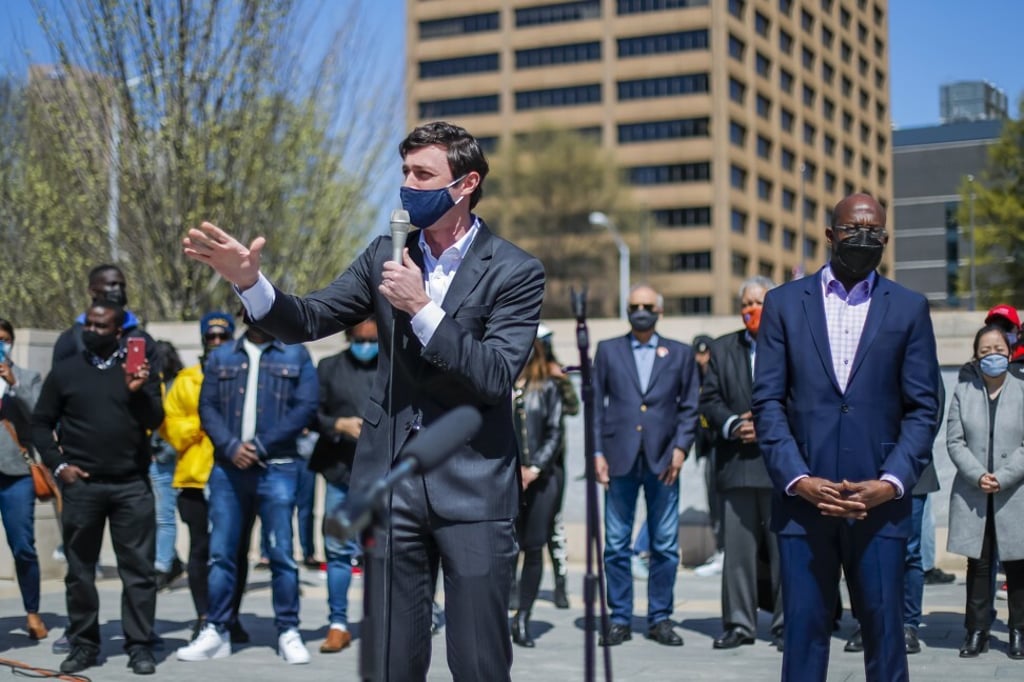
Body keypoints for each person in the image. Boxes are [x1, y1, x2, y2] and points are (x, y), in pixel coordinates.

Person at [182, 120, 544, 681]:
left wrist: (423, 309)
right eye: (404, 172)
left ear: (466, 183)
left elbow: (495, 375)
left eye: (423, 174)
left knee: (477, 660)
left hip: (474, 489)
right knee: (392, 660)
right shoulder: (385, 254)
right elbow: (310, 317)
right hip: (390, 483)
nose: (408, 185)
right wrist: (252, 283)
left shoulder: (516, 271)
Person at [751, 193, 941, 682]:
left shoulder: (910, 308)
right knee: (804, 639)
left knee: (885, 637)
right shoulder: (783, 303)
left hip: (878, 508)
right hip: (803, 507)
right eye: (853, 229)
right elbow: (767, 402)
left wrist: (890, 482)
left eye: (873, 230)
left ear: (886, 239)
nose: (863, 238)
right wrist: (797, 478)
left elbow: (923, 407)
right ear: (831, 235)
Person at [32, 302, 163, 675]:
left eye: (101, 326)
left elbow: (157, 419)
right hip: (82, 487)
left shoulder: (138, 370)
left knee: (138, 571)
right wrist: (59, 466)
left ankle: (140, 645)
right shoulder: (66, 371)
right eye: (88, 324)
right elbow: (41, 423)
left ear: (119, 332)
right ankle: (84, 644)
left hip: (131, 486)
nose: (92, 331)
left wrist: (137, 390)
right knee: (79, 571)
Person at [176, 322, 318, 665]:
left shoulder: (296, 354)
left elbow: (306, 405)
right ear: (243, 310)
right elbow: (206, 407)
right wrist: (230, 445)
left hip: (278, 466)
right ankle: (217, 629)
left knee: (281, 554)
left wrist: (261, 445)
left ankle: (288, 629)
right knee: (222, 553)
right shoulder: (222, 355)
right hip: (228, 469)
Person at [593, 285, 701, 647]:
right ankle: (620, 618)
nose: (640, 311)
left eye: (647, 306)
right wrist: (596, 453)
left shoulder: (681, 353)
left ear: (660, 310)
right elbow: (596, 406)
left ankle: (660, 618)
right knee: (617, 545)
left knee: (666, 546)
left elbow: (689, 407)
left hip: (664, 461)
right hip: (619, 458)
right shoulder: (608, 351)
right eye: (634, 306)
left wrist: (682, 449)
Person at [700, 276, 784, 651]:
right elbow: (710, 400)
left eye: (760, 301)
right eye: (746, 303)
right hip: (736, 465)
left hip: (780, 465)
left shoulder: (790, 344)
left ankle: (786, 623)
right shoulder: (722, 348)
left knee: (785, 552)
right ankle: (739, 623)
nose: (752, 309)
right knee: (738, 553)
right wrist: (734, 424)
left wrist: (767, 426)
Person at [946, 324, 1024, 660]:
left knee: (1018, 565)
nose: (992, 355)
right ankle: (976, 631)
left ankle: (1018, 630)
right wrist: (978, 475)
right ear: (976, 358)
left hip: (1014, 491)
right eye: (984, 351)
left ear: (1009, 352)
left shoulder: (1022, 390)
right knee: (978, 563)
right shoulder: (964, 391)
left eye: (998, 349)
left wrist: (1004, 476)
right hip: (973, 491)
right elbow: (954, 441)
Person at [160, 312, 236, 640]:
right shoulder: (186, 380)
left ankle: (229, 616)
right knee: (200, 550)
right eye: (211, 337)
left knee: (230, 550)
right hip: (193, 478)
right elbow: (171, 429)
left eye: (223, 337)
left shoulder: (240, 374)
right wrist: (204, 423)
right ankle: (203, 615)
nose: (216, 342)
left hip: (232, 477)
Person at [308, 319, 379, 654]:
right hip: (339, 472)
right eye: (360, 339)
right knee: (337, 551)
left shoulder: (395, 367)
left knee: (383, 552)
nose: (366, 345)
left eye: (373, 339)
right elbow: (309, 414)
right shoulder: (329, 367)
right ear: (349, 336)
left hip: (383, 478)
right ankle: (338, 623)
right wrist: (338, 424)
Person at [511, 338, 565, 647]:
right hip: (505, 480)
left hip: (541, 479)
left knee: (534, 547)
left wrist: (534, 468)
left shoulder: (546, 387)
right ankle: (504, 607)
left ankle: (523, 617)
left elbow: (555, 431)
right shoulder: (497, 385)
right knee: (505, 548)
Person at [0, 318, 47, 641]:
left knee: (23, 547)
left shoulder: (29, 378)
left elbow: (39, 418)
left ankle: (32, 611)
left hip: (17, 474)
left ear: (12, 343)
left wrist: (13, 383)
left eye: (3, 339)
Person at [536, 322, 578, 608]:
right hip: (524, 459)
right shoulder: (522, 371)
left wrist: (561, 379)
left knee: (554, 524)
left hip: (554, 461)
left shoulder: (557, 371)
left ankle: (560, 584)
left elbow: (573, 407)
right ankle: (515, 584)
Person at [51, 264, 160, 373]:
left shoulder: (140, 338)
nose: (118, 290)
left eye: (122, 286)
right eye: (112, 284)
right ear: (92, 291)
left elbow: (153, 380)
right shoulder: (71, 338)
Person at [150, 341, 185, 590]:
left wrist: (163, 453)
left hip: (166, 459)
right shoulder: (153, 384)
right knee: (152, 516)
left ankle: (162, 566)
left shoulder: (178, 386)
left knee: (164, 516)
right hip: (149, 457)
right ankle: (171, 560)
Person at [691, 333, 725, 578]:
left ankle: (724, 551)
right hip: (706, 448)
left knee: (722, 501)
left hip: (721, 445)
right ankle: (720, 550)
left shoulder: (718, 374)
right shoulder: (692, 377)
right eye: (698, 353)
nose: (702, 358)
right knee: (713, 499)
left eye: (706, 353)